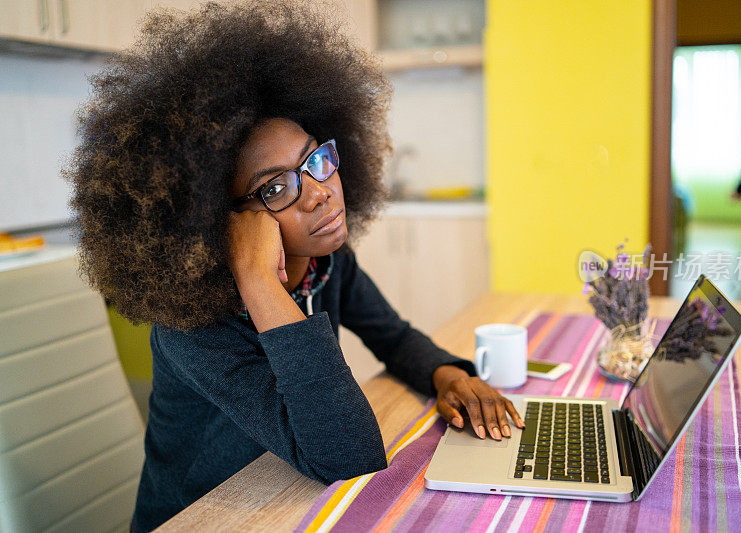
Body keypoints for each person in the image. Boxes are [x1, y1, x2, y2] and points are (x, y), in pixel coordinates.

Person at [64, 1, 525, 530]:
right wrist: (259, 280)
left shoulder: (326, 263)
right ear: (220, 219)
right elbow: (350, 458)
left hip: (288, 499)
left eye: (316, 161)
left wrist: (447, 375)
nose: (322, 194)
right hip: (208, 517)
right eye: (277, 187)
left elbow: (393, 337)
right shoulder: (194, 331)